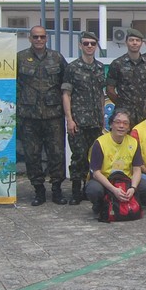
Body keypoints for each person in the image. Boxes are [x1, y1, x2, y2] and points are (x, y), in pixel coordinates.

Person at [16, 25, 69, 206]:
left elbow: (66, 84)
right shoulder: (20, 58)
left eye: (42, 37)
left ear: (47, 39)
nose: (39, 40)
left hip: (53, 115)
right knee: (32, 155)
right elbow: (11, 84)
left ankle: (56, 189)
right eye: (36, 37)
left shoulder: (57, 58)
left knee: (57, 153)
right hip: (29, 116)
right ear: (30, 38)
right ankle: (38, 190)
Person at [61, 31, 106, 206]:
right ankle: (75, 190)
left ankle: (90, 188)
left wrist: (102, 117)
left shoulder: (100, 67)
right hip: (78, 121)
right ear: (80, 45)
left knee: (94, 157)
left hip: (95, 121)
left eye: (92, 44)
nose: (89, 46)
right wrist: (69, 119)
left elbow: (101, 95)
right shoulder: (72, 68)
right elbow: (66, 94)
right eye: (86, 43)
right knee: (78, 156)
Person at [85, 108, 146, 215]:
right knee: (94, 189)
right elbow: (96, 173)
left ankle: (132, 200)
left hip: (125, 180)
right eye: (118, 122)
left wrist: (133, 188)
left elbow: (137, 170)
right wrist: (113, 189)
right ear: (111, 125)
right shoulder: (100, 143)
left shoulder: (133, 143)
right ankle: (99, 204)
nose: (121, 126)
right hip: (105, 181)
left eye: (125, 123)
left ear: (129, 127)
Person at [106, 28, 146, 127]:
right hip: (124, 114)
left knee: (143, 140)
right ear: (126, 42)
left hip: (143, 112)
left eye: (137, 40)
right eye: (131, 40)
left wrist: (144, 100)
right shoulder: (117, 64)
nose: (134, 43)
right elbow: (110, 89)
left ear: (142, 43)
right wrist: (122, 103)